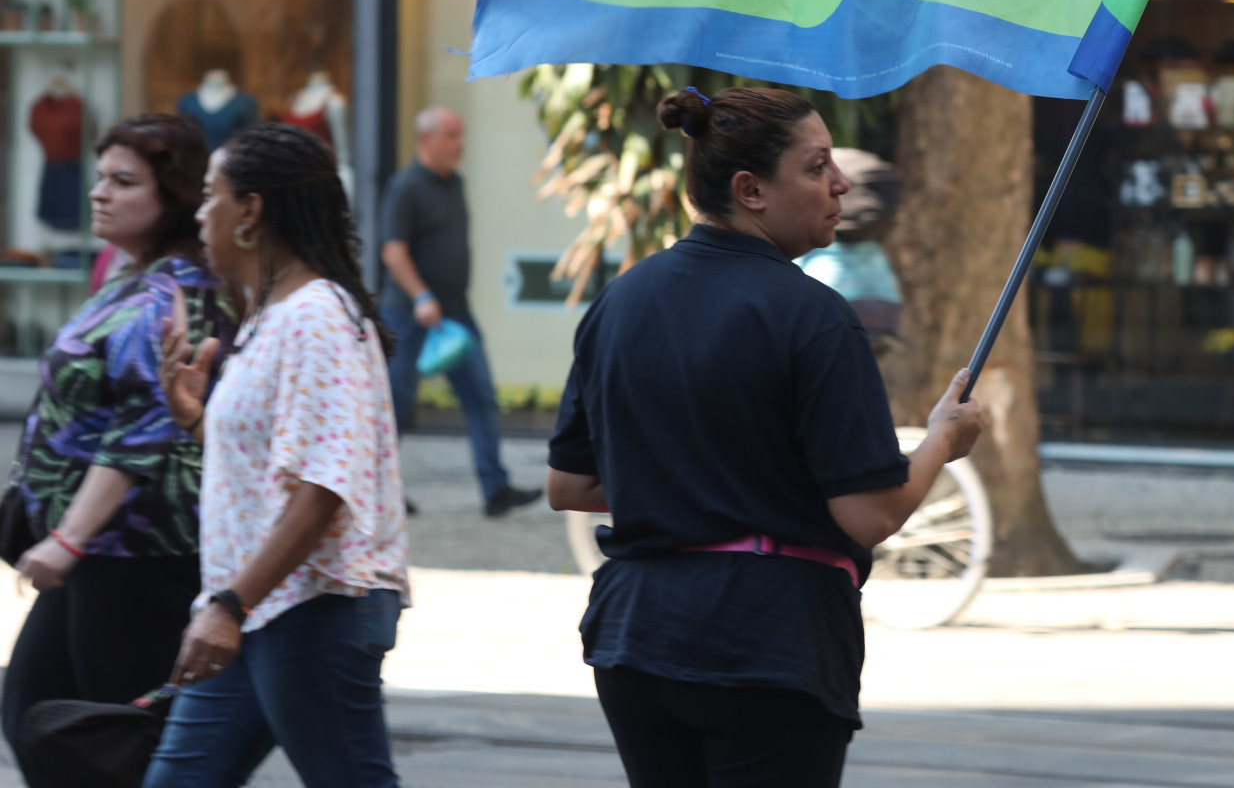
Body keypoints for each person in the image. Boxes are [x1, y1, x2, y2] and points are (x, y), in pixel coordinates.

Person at [547, 87, 985, 788]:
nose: (840, 183)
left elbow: (570, 484)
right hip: (766, 641)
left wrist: (694, 472)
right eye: (816, 168)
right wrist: (941, 438)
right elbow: (869, 514)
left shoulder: (621, 301)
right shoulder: (815, 318)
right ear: (750, 190)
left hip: (637, 640)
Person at [146, 123, 409, 787]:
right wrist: (196, 417)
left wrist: (228, 606)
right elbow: (277, 471)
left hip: (309, 608)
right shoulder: (273, 316)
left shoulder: (316, 317)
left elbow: (321, 487)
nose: (200, 213)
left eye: (212, 196)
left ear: (252, 211)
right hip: (263, 605)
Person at [0, 115, 236, 783]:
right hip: (100, 553)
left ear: (176, 193)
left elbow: (145, 426)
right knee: (35, 714)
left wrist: (69, 539)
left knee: (114, 739)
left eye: (123, 181)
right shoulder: (130, 275)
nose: (100, 192)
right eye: (101, 177)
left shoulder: (179, 291)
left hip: (139, 551)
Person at [379, 106, 539, 517]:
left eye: (461, 135)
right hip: (408, 315)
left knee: (481, 398)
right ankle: (381, 495)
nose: (460, 144)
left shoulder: (456, 184)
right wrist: (421, 297)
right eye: (451, 135)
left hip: (456, 315)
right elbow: (393, 251)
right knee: (395, 404)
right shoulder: (406, 186)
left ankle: (496, 489)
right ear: (426, 139)